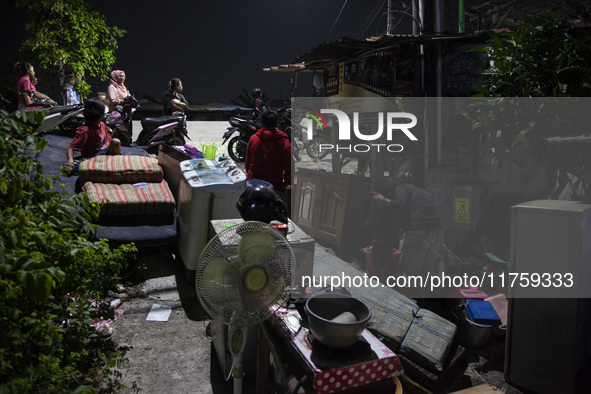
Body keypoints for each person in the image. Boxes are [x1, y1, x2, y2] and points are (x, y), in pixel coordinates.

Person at [368, 171, 444, 279]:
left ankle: (403, 295)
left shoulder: (402, 187)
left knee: (408, 273)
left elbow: (400, 203)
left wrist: (383, 200)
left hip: (417, 231)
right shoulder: (421, 192)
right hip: (436, 232)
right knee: (428, 272)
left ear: (395, 183)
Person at [65, 99, 121, 172]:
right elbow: (71, 148)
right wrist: (70, 162)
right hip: (92, 156)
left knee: (116, 142)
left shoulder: (102, 124)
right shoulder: (85, 130)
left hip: (105, 152)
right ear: (97, 114)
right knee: (74, 168)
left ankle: (117, 165)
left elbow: (110, 142)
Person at [245, 110, 291, 197]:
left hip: (253, 185)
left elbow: (247, 163)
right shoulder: (283, 139)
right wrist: (288, 182)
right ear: (276, 123)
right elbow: (288, 165)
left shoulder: (254, 138)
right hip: (274, 186)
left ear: (262, 122)